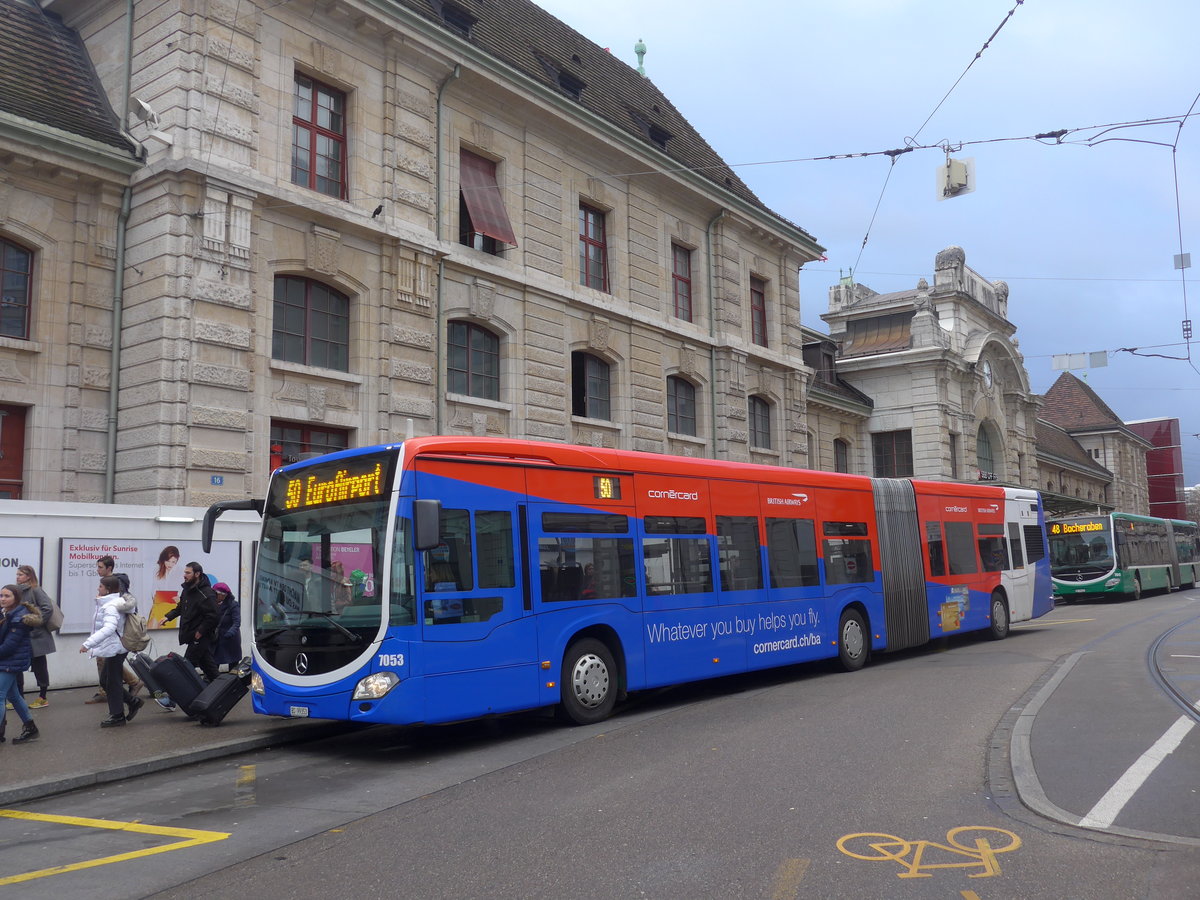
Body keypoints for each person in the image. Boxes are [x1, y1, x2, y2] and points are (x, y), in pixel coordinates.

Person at [80, 574, 144, 727]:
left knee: (112, 681)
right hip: (115, 646)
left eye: (100, 586)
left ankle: (117, 715)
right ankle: (132, 701)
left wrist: (88, 644)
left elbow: (109, 628)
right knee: (105, 680)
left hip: (117, 647)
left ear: (108, 589)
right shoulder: (113, 602)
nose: (98, 588)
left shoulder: (111, 606)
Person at [88, 556, 142, 704]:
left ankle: (126, 687)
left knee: (105, 660)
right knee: (103, 660)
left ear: (109, 568)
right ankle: (120, 687)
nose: (98, 570)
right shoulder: (106, 584)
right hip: (108, 629)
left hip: (116, 633)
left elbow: (125, 605)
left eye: (100, 567)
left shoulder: (117, 584)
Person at [156, 562, 219, 682]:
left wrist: (201, 631)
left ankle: (180, 693)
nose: (185, 575)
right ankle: (222, 689)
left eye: (188, 573)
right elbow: (181, 607)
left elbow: (214, 616)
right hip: (190, 634)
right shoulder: (187, 590)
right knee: (209, 667)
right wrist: (168, 617)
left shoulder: (206, 593)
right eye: (185, 572)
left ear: (197, 574)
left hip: (200, 637)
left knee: (186, 666)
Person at [0, 583, 42, 744]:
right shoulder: (7, 613)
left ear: (16, 599)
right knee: (13, 696)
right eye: (1, 595)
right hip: (7, 660)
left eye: (7, 596)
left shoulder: (19, 618)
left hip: (11, 661)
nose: (2, 599)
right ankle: (31, 728)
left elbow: (10, 646)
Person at [15, 565, 56, 708]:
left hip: (36, 636)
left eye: (20, 574)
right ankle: (18, 698)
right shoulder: (17, 591)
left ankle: (43, 697)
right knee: (17, 665)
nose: (17, 577)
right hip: (22, 636)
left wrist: (36, 622)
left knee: (39, 666)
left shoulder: (36, 590)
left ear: (28, 576)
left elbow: (47, 608)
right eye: (17, 574)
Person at [211, 582, 242, 672]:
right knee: (213, 664)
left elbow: (237, 622)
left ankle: (233, 684)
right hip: (217, 639)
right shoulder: (213, 603)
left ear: (223, 595)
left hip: (231, 640)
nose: (214, 596)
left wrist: (230, 632)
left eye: (216, 594)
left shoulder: (233, 605)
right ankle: (211, 682)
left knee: (233, 667)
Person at [150, 545, 181, 621]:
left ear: (177, 560)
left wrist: (179, 599)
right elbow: (154, 589)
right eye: (168, 561)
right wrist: (156, 597)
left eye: (173, 562)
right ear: (163, 560)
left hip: (174, 607)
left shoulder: (180, 571)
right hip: (159, 604)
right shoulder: (157, 569)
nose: (170, 564)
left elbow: (180, 590)